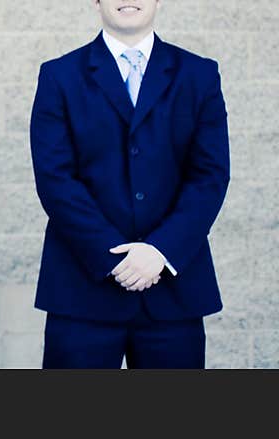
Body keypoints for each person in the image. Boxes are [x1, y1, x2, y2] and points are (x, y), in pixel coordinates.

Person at [29, 0, 230, 368]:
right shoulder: (59, 75)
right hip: (82, 289)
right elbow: (55, 178)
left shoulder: (199, 75)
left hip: (172, 289)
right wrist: (114, 256)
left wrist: (159, 251)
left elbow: (210, 175)